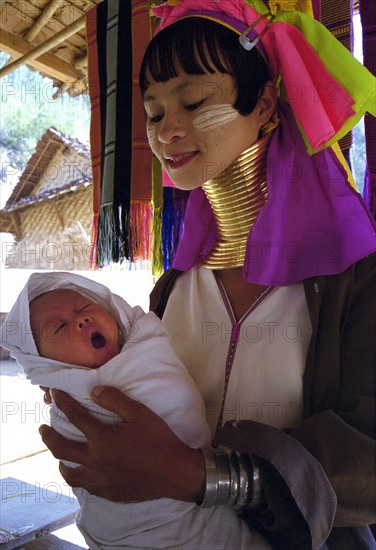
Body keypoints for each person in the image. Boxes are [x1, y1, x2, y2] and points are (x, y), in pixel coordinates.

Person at [36, 1, 376, 548]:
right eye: (152, 114)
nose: (167, 131)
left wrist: (201, 478)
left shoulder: (352, 279)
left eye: (193, 102)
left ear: (264, 103)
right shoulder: (174, 286)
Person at [1, 270, 273, 549]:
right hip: (137, 531)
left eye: (84, 307)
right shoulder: (176, 282)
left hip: (250, 515)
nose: (81, 319)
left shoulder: (144, 341)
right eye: (59, 328)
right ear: (43, 365)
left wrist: (192, 474)